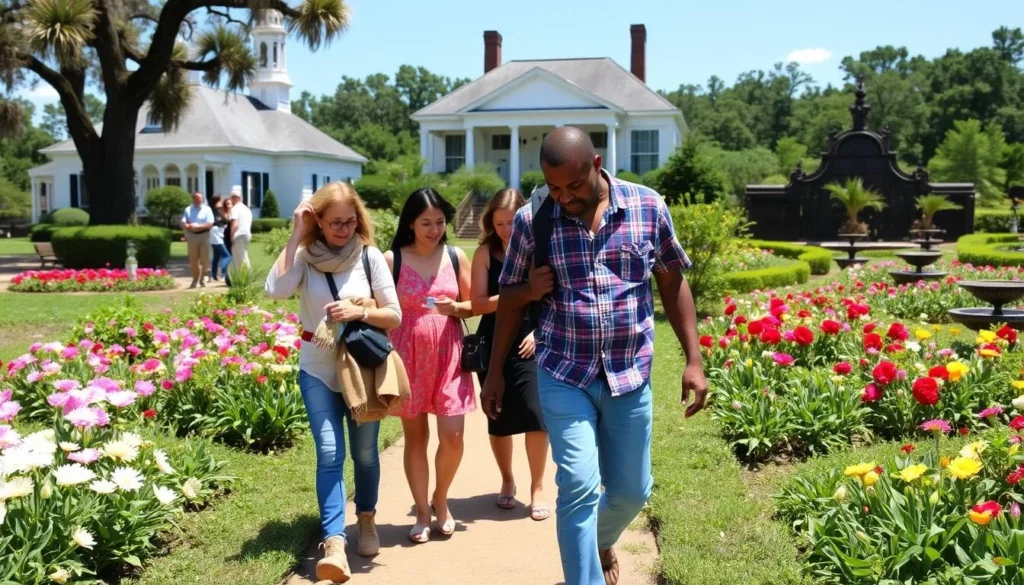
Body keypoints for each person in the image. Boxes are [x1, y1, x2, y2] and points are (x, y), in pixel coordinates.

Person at [481, 127, 707, 585]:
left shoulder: (647, 207)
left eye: (574, 186)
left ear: (596, 164)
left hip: (629, 373)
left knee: (630, 492)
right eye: (554, 187)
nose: (564, 197)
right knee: (579, 486)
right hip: (564, 370)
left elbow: (671, 281)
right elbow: (507, 295)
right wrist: (494, 373)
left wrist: (693, 359)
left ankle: (600, 540)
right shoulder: (533, 220)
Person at [265, 182, 402, 583]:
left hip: (361, 370)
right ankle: (335, 541)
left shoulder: (370, 256)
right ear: (318, 221)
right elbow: (275, 290)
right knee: (328, 452)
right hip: (317, 368)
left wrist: (357, 313)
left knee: (364, 455)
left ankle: (367, 518)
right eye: (335, 222)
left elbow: (393, 315)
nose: (344, 229)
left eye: (350, 221)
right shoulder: (304, 258)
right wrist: (295, 233)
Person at [385, 187, 474, 543]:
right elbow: (380, 308)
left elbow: (474, 304)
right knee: (416, 437)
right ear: (410, 223)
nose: (435, 229)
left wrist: (458, 308)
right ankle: (422, 511)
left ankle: (441, 497)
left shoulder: (455, 257)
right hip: (406, 356)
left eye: (439, 222)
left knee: (452, 435)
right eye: (426, 222)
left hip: (449, 354)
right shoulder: (391, 259)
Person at [470, 188, 549, 521]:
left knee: (535, 413)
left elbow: (548, 297)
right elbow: (477, 303)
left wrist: (537, 331)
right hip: (494, 338)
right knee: (497, 416)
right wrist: (517, 294)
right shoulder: (484, 253)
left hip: (531, 336)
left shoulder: (538, 250)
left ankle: (538, 487)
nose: (505, 230)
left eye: (511, 223)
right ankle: (507, 479)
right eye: (499, 223)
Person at [180, 191, 214, 288]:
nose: (197, 199)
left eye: (199, 198)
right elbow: (183, 221)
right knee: (193, 260)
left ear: (202, 199)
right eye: (195, 197)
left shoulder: (207, 209)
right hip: (192, 236)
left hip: (204, 236)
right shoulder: (188, 209)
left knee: (205, 259)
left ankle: (202, 279)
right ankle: (195, 278)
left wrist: (198, 226)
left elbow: (210, 223)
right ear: (193, 198)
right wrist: (186, 225)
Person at [209, 194, 232, 283]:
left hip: (218, 234)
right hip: (216, 234)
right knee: (227, 256)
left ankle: (214, 274)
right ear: (216, 202)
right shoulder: (217, 211)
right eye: (220, 201)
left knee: (216, 256)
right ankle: (222, 273)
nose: (221, 204)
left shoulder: (216, 211)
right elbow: (223, 221)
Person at [229, 191, 253, 275]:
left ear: (235, 198)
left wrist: (231, 235)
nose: (231, 200)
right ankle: (240, 276)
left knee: (240, 257)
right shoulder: (246, 209)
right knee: (242, 255)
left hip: (238, 234)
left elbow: (234, 223)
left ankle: (248, 276)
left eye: (232, 197)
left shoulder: (235, 209)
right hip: (246, 234)